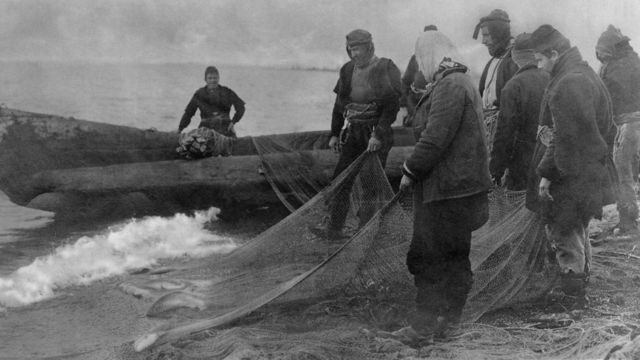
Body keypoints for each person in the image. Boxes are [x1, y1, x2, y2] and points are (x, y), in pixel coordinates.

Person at [388, 30, 491, 343]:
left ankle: (423, 326)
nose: (420, 65)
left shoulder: (449, 85)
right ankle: (449, 320)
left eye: (421, 59)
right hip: (462, 189)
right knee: (454, 256)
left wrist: (409, 170)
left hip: (447, 191)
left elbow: (435, 138)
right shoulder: (459, 81)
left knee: (428, 257)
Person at [531, 25, 616, 308]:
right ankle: (579, 291)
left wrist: (546, 175)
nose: (539, 66)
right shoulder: (586, 72)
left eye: (540, 59)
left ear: (554, 53)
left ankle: (572, 302)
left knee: (565, 234)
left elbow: (563, 137)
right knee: (579, 233)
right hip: (589, 172)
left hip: (571, 175)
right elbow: (608, 127)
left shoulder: (567, 83)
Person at [319, 29, 402, 239]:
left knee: (371, 183)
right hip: (354, 132)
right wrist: (335, 134)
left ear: (369, 47)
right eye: (351, 49)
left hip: (376, 134)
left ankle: (365, 232)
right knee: (340, 180)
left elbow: (391, 108)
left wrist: (378, 136)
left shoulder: (386, 67)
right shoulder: (347, 70)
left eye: (358, 49)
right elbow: (339, 105)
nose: (355, 54)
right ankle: (334, 228)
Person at [489, 33, 550, 190]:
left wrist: (496, 170)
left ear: (516, 57)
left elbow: (505, 133)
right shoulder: (553, 78)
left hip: (523, 163)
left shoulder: (513, 86)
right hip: (550, 159)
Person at [597, 25, 640, 235]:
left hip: (627, 126)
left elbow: (604, 99)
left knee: (624, 175)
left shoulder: (614, 69)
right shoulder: (634, 60)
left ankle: (628, 221)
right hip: (635, 124)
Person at [472, 9, 519, 152]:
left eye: (486, 35)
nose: (483, 41)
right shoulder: (494, 61)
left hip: (505, 136)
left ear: (498, 33)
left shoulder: (514, 61)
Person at [178, 66, 245, 138]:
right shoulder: (200, 93)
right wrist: (180, 129)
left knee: (233, 146)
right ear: (205, 79)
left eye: (215, 78)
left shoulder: (227, 91)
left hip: (225, 129)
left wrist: (233, 122)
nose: (213, 80)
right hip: (205, 130)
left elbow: (241, 107)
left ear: (218, 78)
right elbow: (188, 113)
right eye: (210, 78)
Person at [401, 25, 438, 128]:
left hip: (436, 103)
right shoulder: (415, 58)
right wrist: (404, 106)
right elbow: (405, 82)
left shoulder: (443, 58)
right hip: (415, 104)